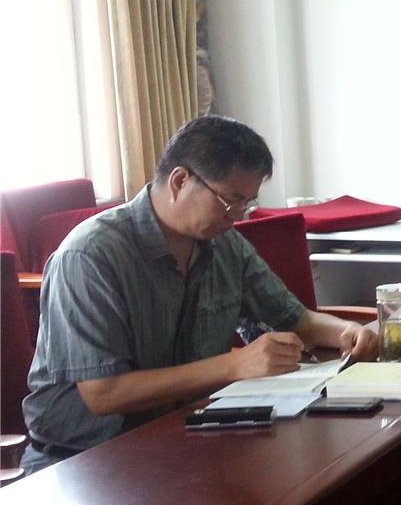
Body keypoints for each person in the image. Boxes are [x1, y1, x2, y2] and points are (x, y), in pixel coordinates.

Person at [22, 116, 379, 473]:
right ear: (180, 181)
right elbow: (104, 394)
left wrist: (347, 331)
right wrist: (234, 365)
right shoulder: (90, 256)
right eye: (230, 202)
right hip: (84, 459)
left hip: (187, 433)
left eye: (247, 204)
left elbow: (292, 318)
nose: (236, 217)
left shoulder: (225, 244)